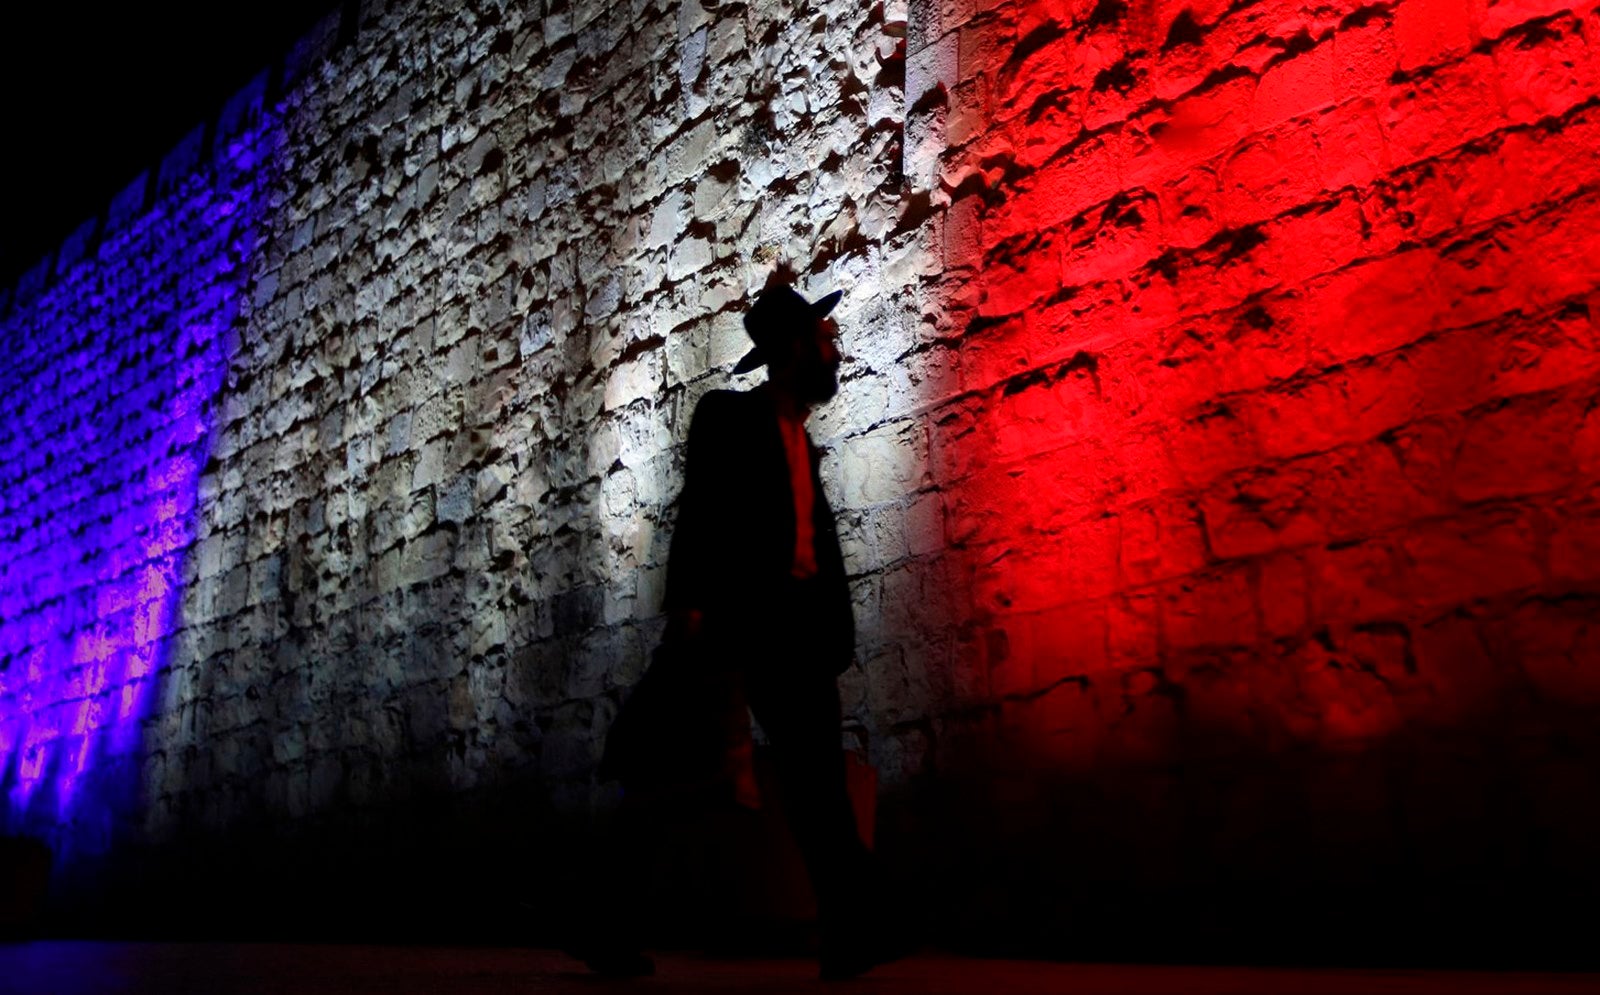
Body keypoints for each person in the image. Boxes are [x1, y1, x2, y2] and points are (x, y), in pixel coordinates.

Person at [578, 281, 896, 981]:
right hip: (728, 624)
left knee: (818, 788)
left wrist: (831, 634)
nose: (835, 349)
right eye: (825, 339)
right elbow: (699, 510)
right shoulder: (727, 417)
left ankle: (853, 933)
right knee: (665, 776)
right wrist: (689, 605)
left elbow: (812, 549)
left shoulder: (803, 444)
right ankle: (604, 923)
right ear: (793, 349)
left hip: (795, 637)